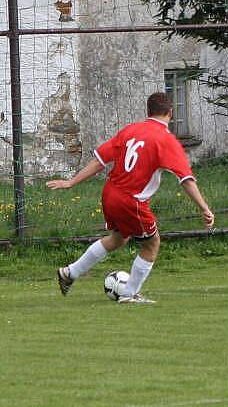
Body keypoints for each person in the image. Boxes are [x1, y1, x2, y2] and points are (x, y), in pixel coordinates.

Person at [46, 92, 215, 304]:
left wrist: (71, 182)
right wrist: (204, 208)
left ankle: (69, 273)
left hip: (110, 193)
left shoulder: (130, 130)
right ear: (170, 112)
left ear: (148, 111)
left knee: (119, 239)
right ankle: (128, 294)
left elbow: (100, 160)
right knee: (152, 244)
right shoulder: (166, 139)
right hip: (130, 200)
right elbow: (186, 179)